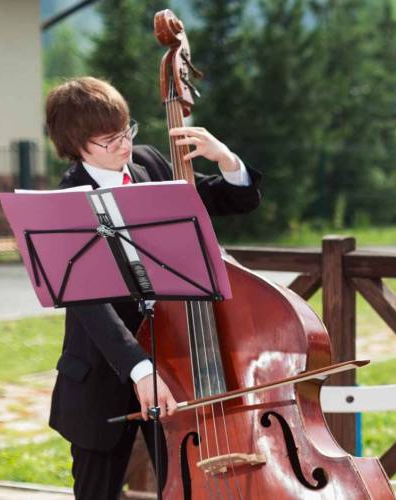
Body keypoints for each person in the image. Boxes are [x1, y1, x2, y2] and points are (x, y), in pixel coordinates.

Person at [44, 76, 262, 499]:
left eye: (126, 131)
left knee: (183, 486)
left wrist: (226, 159)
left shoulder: (151, 164)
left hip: (179, 365)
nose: (123, 145)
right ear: (76, 144)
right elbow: (90, 304)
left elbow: (233, 200)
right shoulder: (66, 199)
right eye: (109, 140)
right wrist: (140, 368)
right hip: (102, 373)